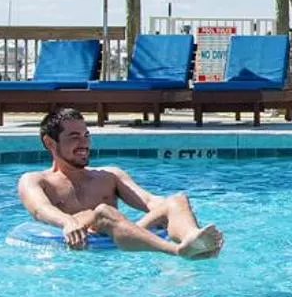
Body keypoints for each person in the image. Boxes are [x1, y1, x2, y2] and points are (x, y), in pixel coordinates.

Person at [19, 107, 224, 258]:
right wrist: (68, 222)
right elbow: (40, 209)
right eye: (74, 137)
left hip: (120, 234)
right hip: (83, 239)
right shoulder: (36, 180)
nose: (84, 143)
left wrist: (178, 214)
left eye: (86, 135)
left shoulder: (109, 175)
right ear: (50, 142)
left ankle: (195, 242)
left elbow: (150, 201)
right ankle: (177, 251)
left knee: (177, 200)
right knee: (102, 212)